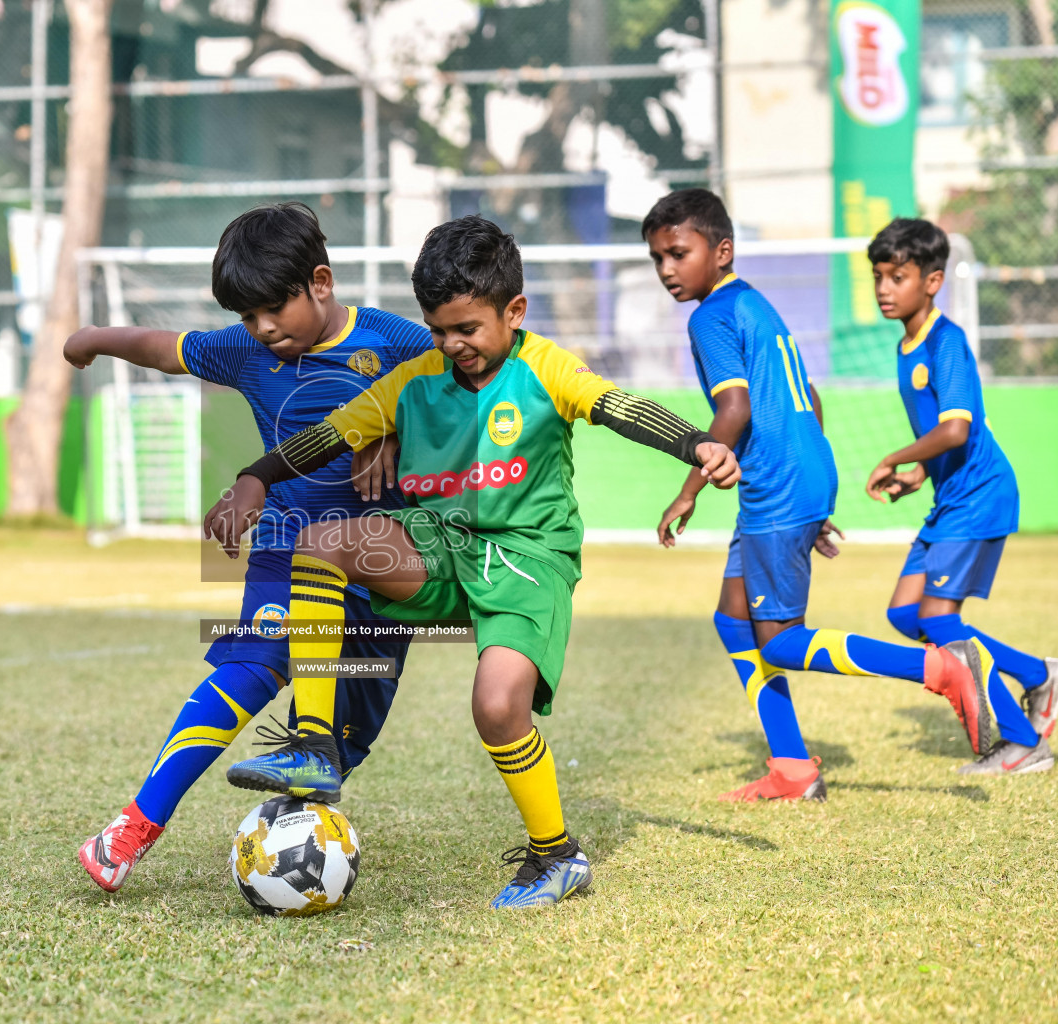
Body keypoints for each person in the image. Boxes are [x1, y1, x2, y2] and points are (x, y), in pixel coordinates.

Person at [207, 215, 742, 909]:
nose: (453, 345)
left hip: (526, 556)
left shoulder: (543, 366)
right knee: (321, 543)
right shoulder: (414, 379)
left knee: (496, 708)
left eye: (468, 328)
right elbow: (329, 437)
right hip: (437, 543)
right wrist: (254, 475)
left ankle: (557, 856)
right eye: (439, 329)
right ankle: (314, 744)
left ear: (513, 311)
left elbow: (617, 408)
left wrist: (696, 445)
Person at [64, 202, 435, 893]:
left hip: (382, 560)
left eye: (272, 310)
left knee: (344, 738)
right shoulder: (247, 349)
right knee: (252, 662)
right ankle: (134, 826)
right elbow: (167, 347)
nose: (263, 330)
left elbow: (459, 394)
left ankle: (297, 828)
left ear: (319, 283)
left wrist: (389, 431)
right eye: (247, 317)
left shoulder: (397, 342)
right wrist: (94, 337)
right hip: (287, 545)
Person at [646, 189, 1005, 802]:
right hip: (797, 473)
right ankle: (792, 768)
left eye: (679, 253)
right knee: (733, 620)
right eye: (657, 258)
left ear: (721, 249)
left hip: (777, 485)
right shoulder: (752, 303)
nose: (667, 270)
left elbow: (734, 408)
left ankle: (941, 669)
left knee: (781, 640)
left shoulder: (709, 317)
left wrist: (689, 490)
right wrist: (809, 493)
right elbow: (806, 394)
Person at [865, 217, 1058, 775]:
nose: (885, 288)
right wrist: (917, 474)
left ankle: (1023, 743)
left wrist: (894, 457)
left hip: (979, 494)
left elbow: (958, 428)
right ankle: (1037, 675)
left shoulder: (946, 339)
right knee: (906, 613)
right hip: (950, 495)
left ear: (932, 281)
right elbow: (945, 435)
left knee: (939, 618)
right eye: (879, 276)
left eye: (898, 276)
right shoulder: (904, 344)